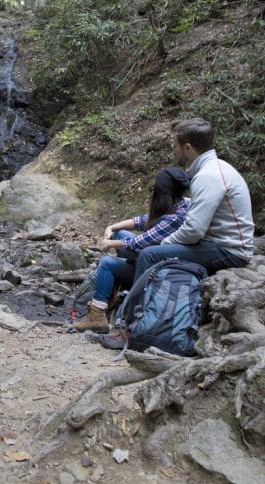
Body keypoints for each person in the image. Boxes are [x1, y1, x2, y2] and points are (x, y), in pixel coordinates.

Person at [131, 118, 254, 284]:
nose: (173, 151)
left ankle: (137, 307)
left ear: (187, 148)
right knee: (143, 249)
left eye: (175, 146)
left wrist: (164, 243)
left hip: (229, 252)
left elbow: (193, 230)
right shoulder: (215, 169)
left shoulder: (208, 176)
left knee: (149, 254)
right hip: (218, 244)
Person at [72, 167, 191, 332]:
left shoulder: (175, 218)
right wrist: (112, 227)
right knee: (120, 233)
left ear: (163, 192)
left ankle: (98, 315)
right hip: (152, 257)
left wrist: (110, 244)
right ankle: (119, 281)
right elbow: (142, 221)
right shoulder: (180, 203)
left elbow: (141, 240)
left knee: (106, 263)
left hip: (155, 269)